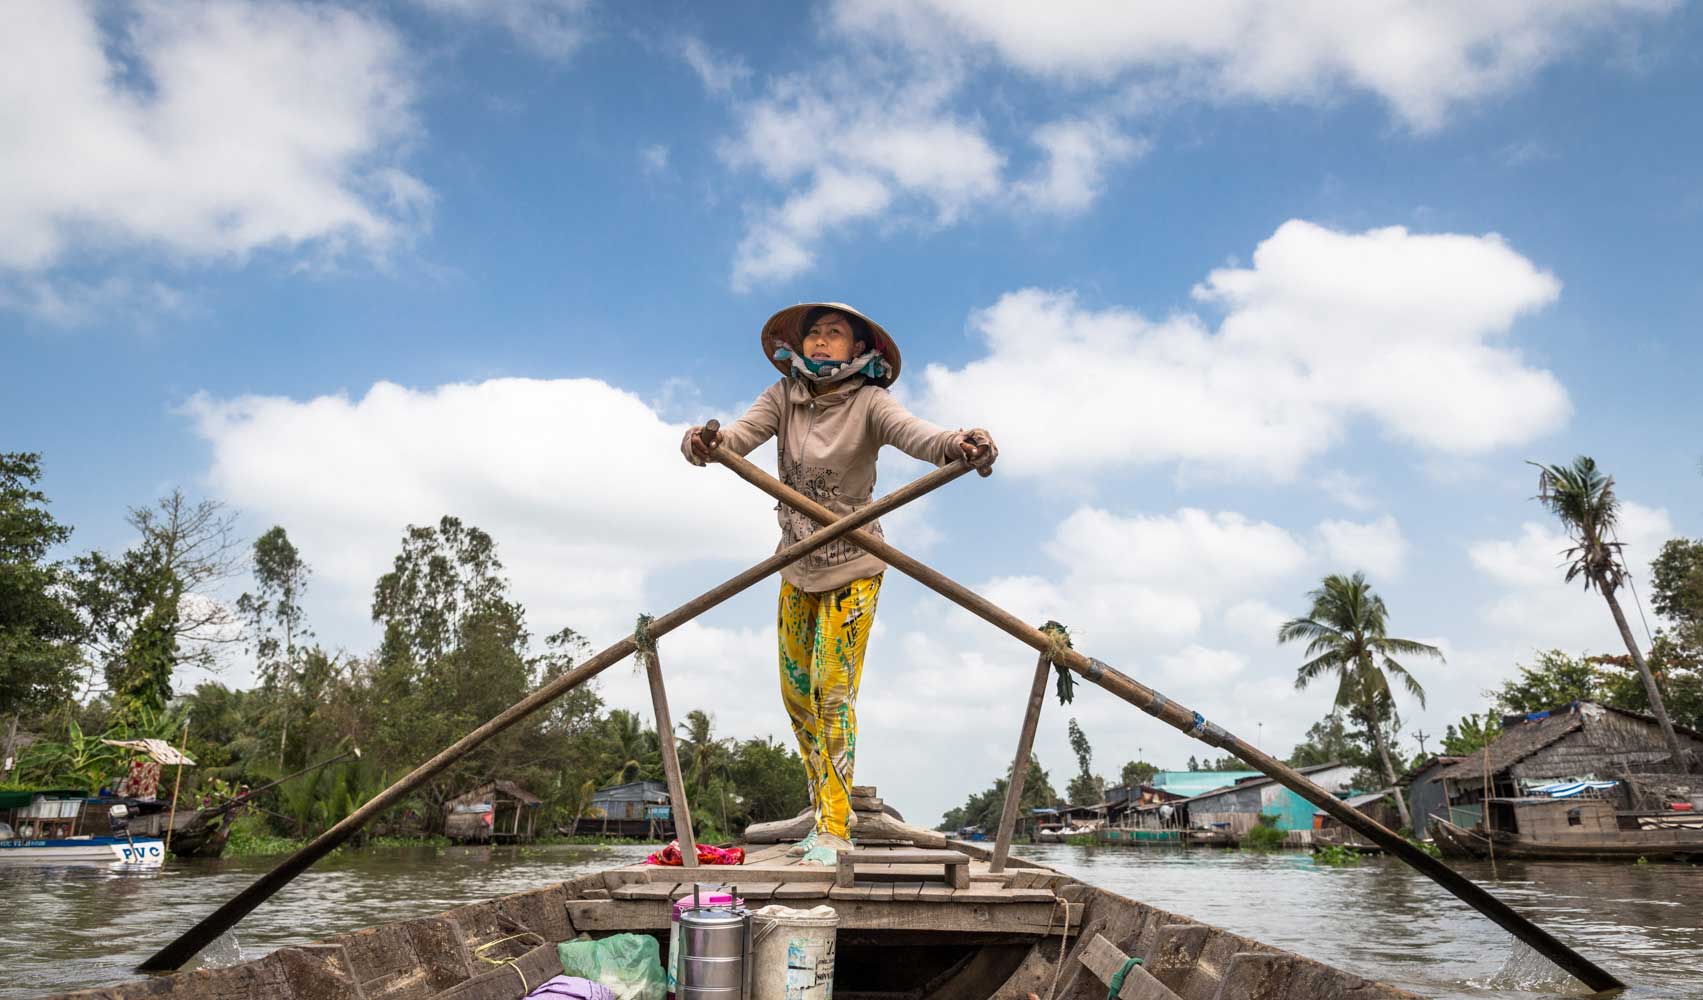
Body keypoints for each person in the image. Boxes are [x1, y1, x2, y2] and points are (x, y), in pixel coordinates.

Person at [682, 302, 996, 865]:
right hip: (796, 561)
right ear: (799, 347)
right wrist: (704, 443)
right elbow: (735, 437)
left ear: (858, 350)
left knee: (832, 688)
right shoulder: (782, 397)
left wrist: (962, 443)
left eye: (835, 334)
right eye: (815, 334)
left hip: (855, 562)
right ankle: (826, 799)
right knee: (796, 693)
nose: (822, 342)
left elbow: (920, 436)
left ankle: (833, 827)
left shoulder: (871, 402)